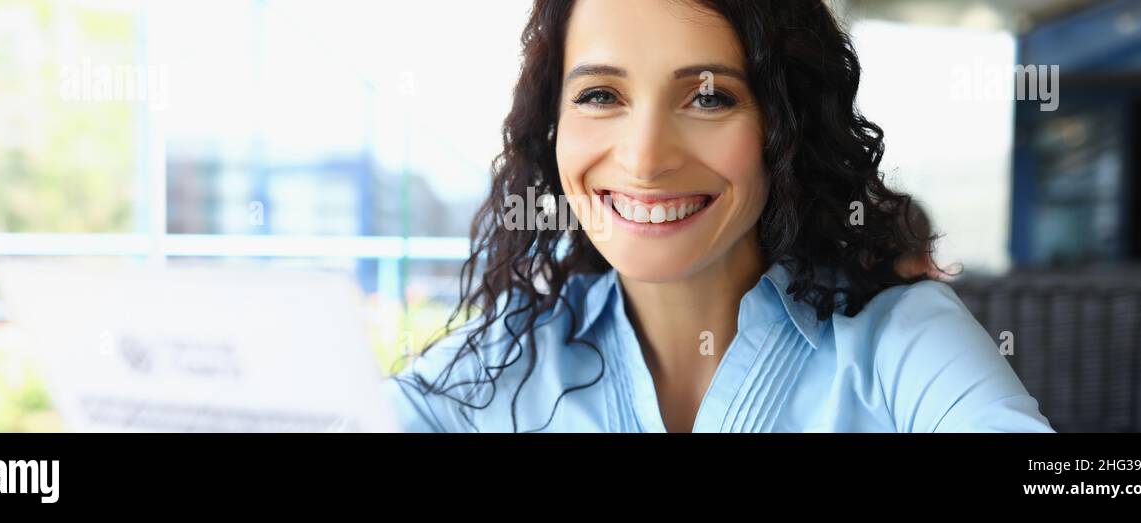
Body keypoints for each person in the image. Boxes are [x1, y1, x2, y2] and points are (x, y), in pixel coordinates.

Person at [384, 0, 1053, 433]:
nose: (644, 159)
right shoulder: (502, 362)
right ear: (552, 126)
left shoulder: (899, 343)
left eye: (708, 98)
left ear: (783, 128)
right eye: (599, 94)